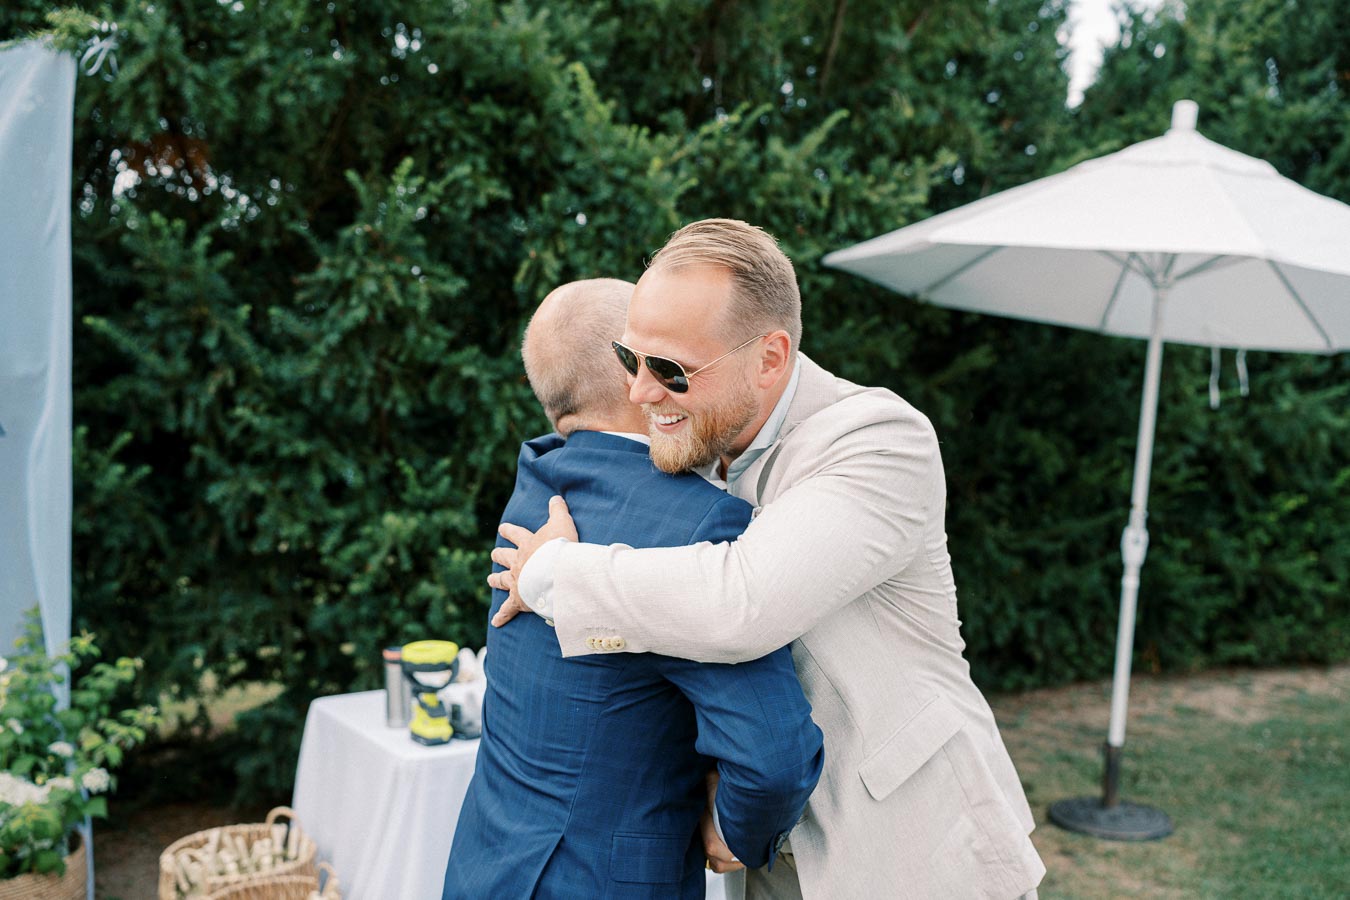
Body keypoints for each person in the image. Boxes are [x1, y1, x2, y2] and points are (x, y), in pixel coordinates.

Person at [489, 222, 1047, 899]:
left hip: (914, 854)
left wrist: (553, 575)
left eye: (670, 370)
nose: (638, 393)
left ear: (770, 358)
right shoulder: (701, 442)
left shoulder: (878, 440)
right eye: (629, 358)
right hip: (773, 863)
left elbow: (739, 605)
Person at [443, 277, 824, 900]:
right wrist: (737, 829)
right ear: (633, 371)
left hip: (487, 865)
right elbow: (771, 756)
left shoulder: (537, 484)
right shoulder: (696, 520)